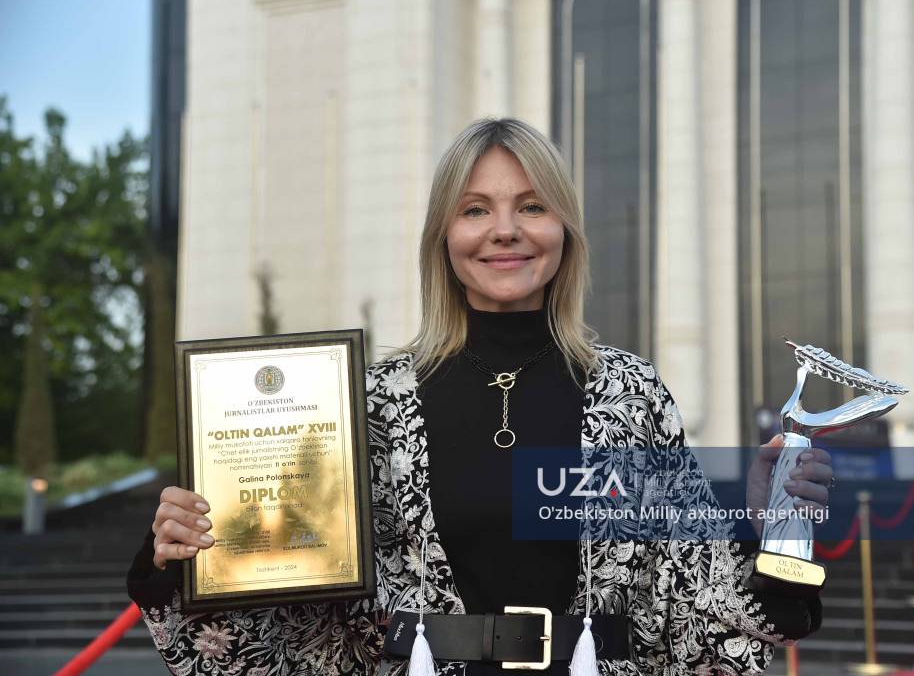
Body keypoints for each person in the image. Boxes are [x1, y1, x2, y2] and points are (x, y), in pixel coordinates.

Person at [127, 118, 833, 675]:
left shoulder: (630, 394)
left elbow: (691, 608)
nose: (505, 229)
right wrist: (189, 556)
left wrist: (769, 528)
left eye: (532, 206)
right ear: (444, 236)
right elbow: (302, 622)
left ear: (563, 232)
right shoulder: (366, 406)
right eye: (475, 209)